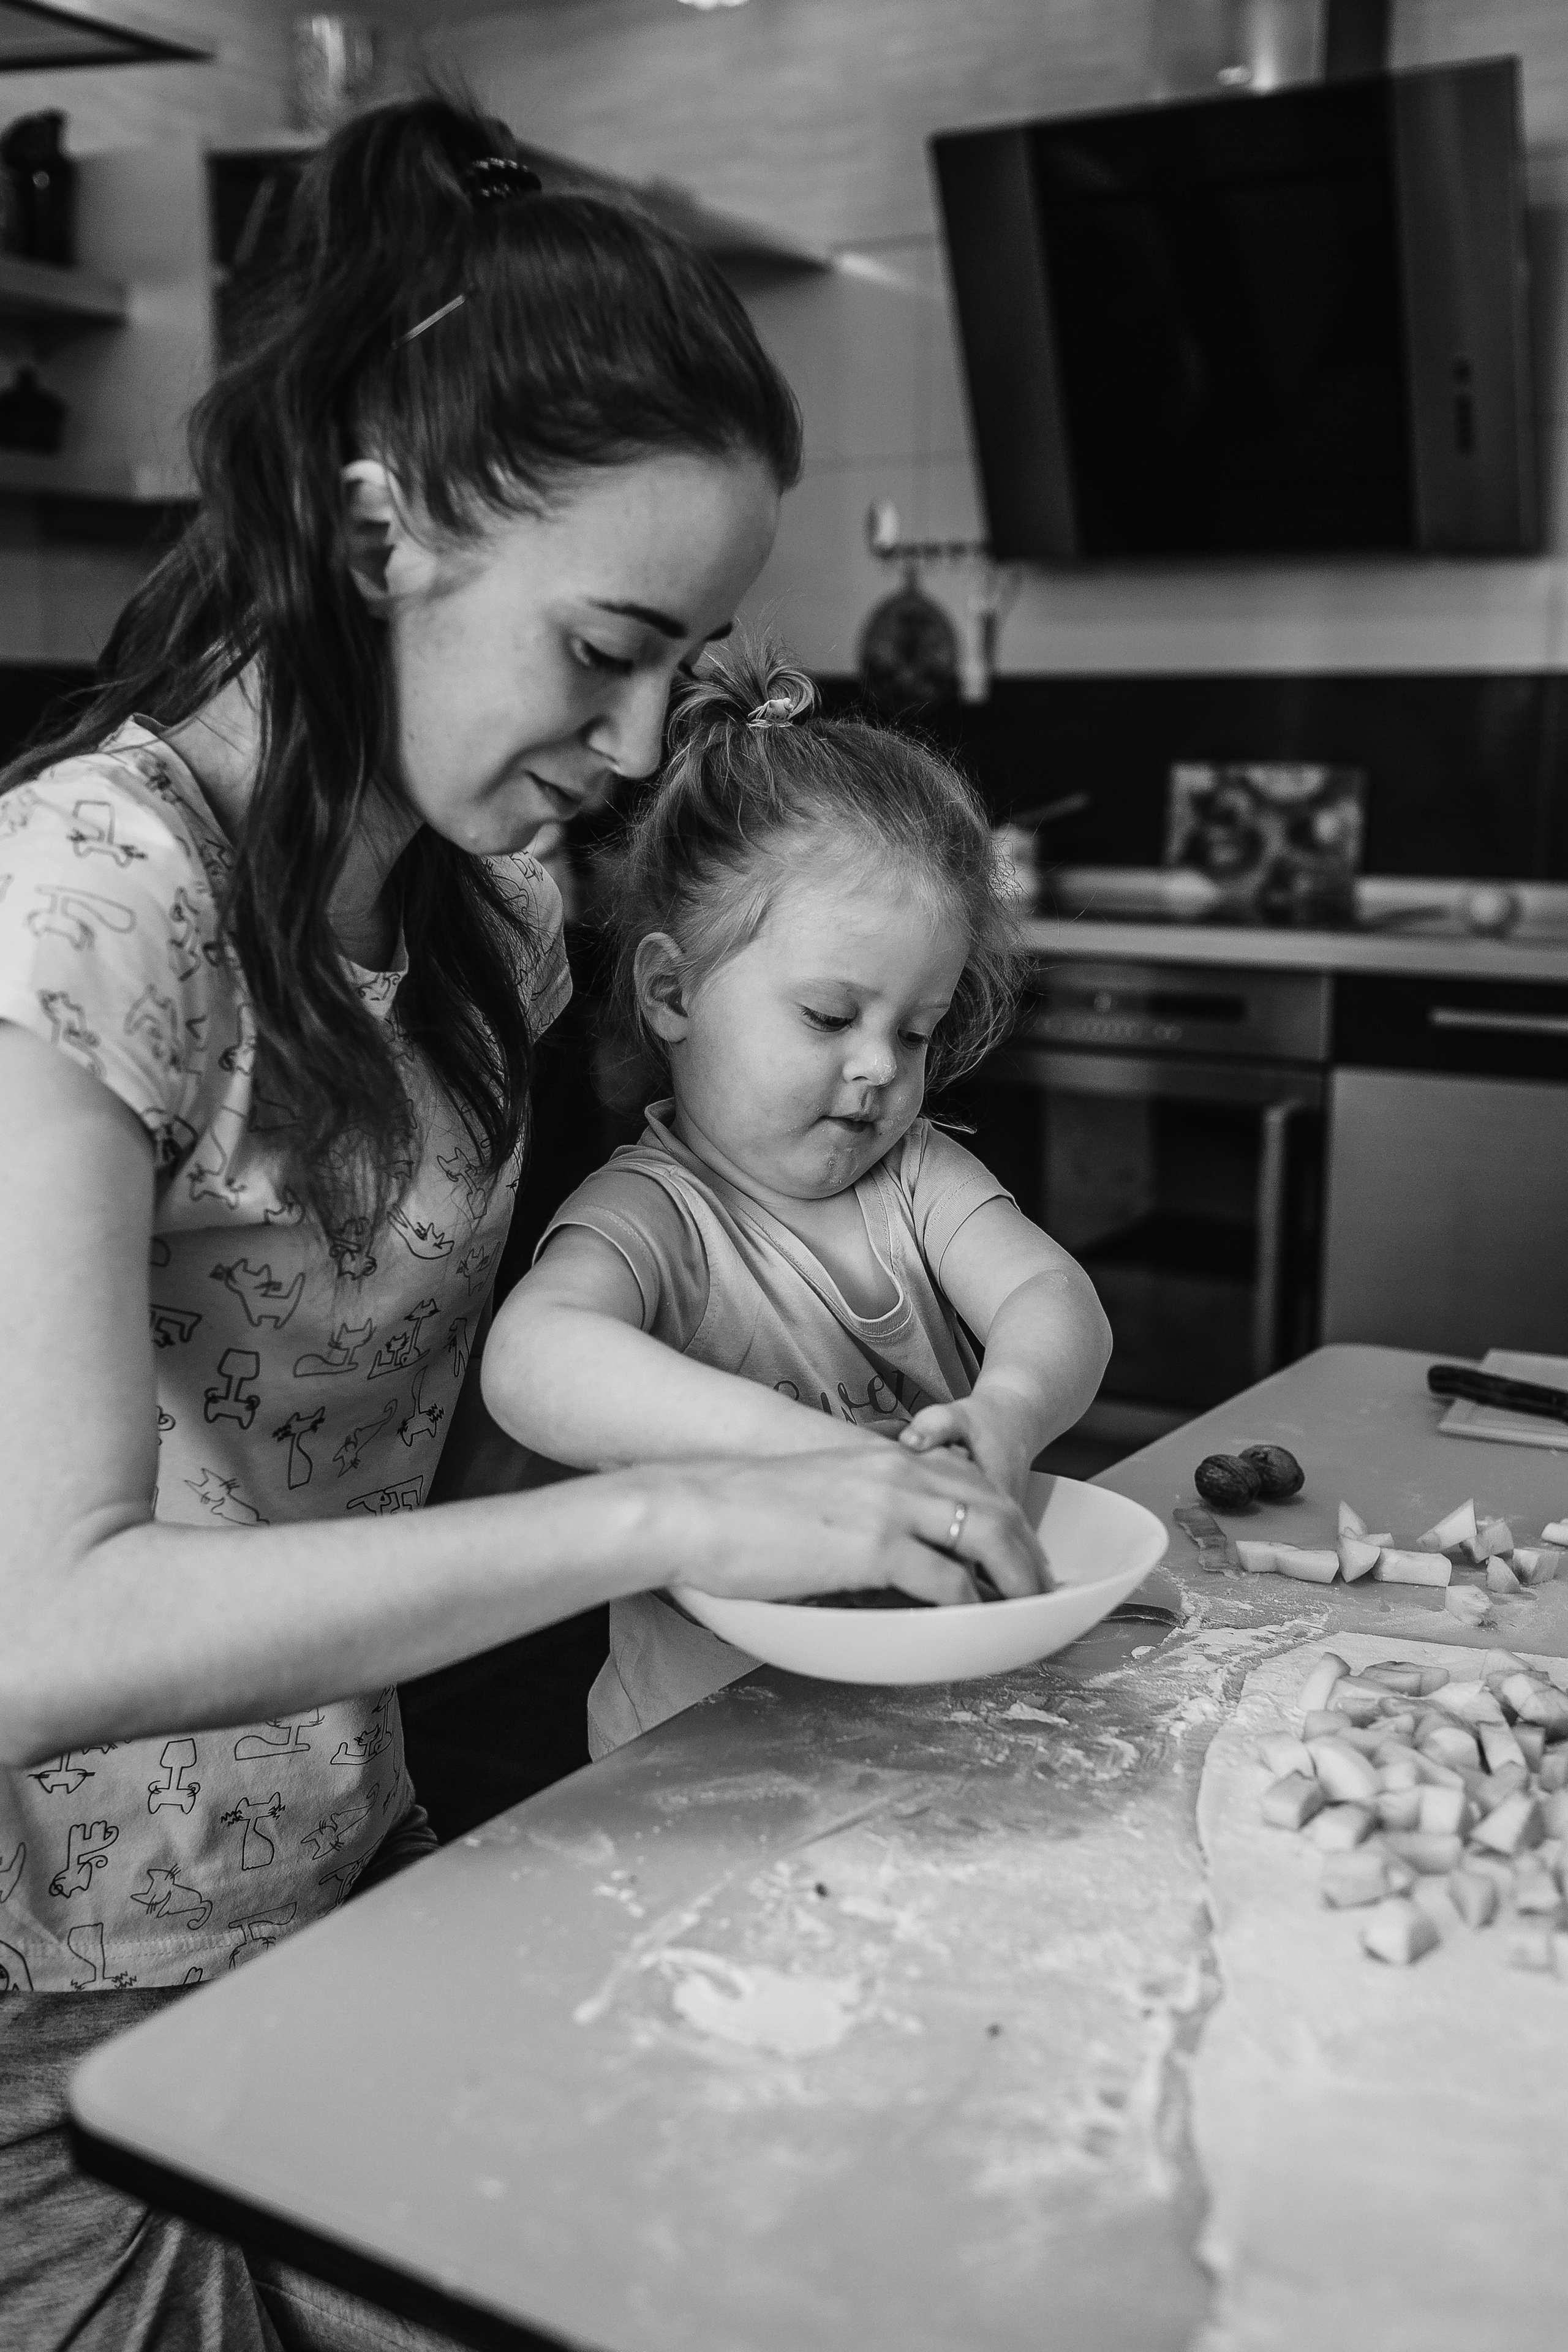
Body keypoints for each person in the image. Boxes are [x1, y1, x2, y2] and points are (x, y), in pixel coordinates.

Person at [0, 97, 1048, 2352]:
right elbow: (39, 1631)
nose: (645, 727)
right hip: (57, 2019)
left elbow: (435, 1442)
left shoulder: (486, 915)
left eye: (692, 655)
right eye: (604, 648)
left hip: (348, 1880)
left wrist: (817, 1452)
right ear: (378, 535)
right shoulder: (87, 906)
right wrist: (672, 1497)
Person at [483, 647, 1112, 1755]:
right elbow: (532, 1363)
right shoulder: (651, 1218)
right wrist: (803, 1452)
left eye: (913, 1032)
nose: (879, 1068)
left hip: (933, 1720)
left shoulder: (914, 1178)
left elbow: (1054, 1298)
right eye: (830, 1018)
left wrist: (1009, 1411)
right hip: (695, 1761)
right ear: (674, 992)